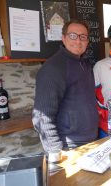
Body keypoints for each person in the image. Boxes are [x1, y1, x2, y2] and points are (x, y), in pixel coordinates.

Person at [32, 20, 98, 153]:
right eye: (73, 36)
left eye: (83, 37)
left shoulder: (84, 64)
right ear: (63, 38)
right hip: (70, 146)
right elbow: (41, 117)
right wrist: (56, 153)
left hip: (90, 141)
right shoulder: (53, 68)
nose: (78, 41)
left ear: (87, 41)